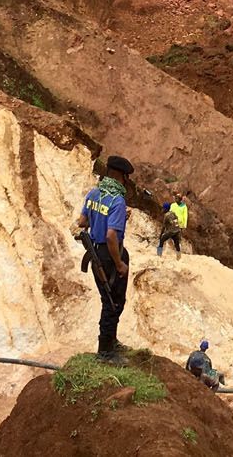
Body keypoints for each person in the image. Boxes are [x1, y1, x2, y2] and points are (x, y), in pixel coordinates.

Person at [76, 154, 134, 363]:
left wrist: (102, 219)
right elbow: (111, 235)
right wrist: (119, 263)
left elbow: (82, 221)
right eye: (126, 176)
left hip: (95, 253)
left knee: (109, 299)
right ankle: (106, 351)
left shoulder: (94, 193)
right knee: (113, 302)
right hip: (111, 255)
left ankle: (111, 340)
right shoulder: (117, 200)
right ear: (121, 176)